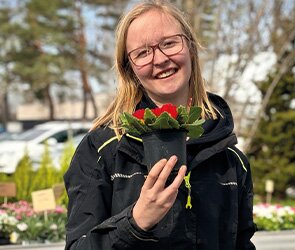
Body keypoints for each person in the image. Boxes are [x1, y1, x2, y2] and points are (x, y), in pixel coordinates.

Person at [64, 0, 256, 249]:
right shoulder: (103, 150)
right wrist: (136, 222)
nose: (160, 59)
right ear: (130, 69)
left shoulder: (230, 158)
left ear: (191, 48)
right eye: (143, 53)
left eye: (169, 43)